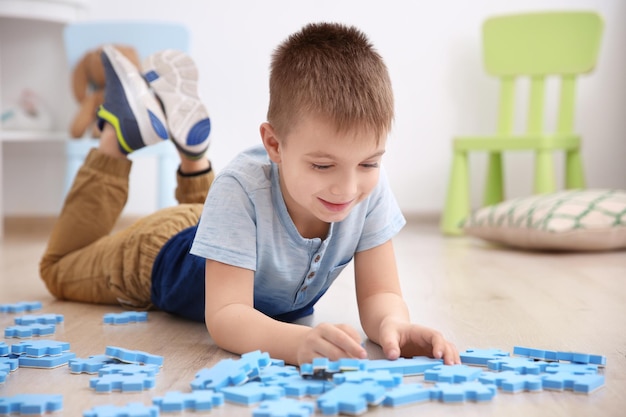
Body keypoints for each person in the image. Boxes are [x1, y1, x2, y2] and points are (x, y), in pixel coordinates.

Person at [41, 22, 460, 366]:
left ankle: (193, 158)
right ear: (275, 145)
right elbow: (226, 316)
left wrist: (394, 325)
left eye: (368, 163)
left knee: (229, 201)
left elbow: (379, 294)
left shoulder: (369, 192)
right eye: (322, 165)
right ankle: (118, 135)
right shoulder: (241, 188)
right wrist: (297, 342)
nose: (348, 189)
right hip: (157, 253)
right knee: (58, 269)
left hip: (222, 225)